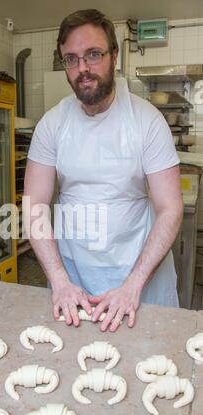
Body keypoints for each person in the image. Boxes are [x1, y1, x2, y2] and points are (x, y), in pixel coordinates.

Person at [23, 9, 183, 332]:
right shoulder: (51, 125)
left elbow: (170, 208)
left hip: (141, 279)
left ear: (114, 55)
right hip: (75, 281)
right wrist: (59, 281)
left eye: (93, 54)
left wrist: (133, 285)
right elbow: (34, 206)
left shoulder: (148, 121)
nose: (83, 68)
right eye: (71, 58)